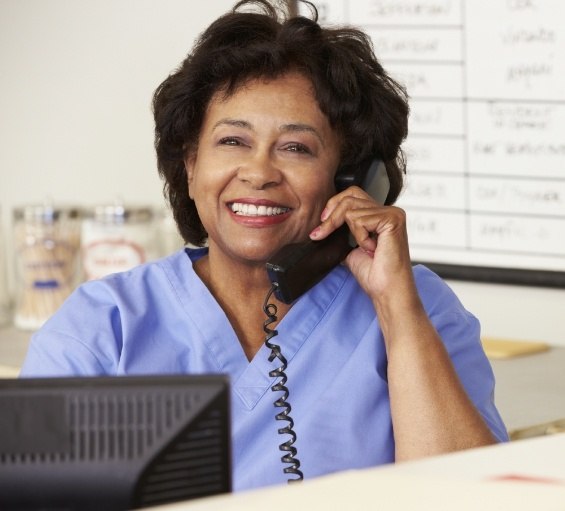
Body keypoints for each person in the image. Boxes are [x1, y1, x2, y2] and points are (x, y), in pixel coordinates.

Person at [20, 0, 508, 492]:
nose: (258, 172)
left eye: (296, 147)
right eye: (232, 141)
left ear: (349, 180)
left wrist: (397, 312)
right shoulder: (101, 329)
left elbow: (474, 497)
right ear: (190, 165)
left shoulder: (418, 308)